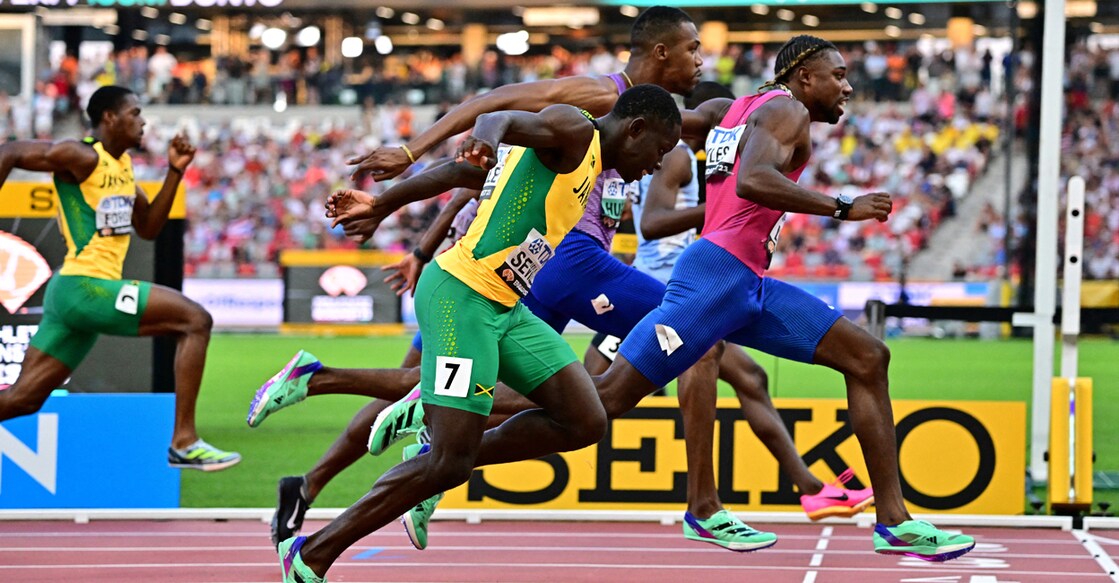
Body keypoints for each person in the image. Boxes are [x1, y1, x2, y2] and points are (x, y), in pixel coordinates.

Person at [277, 84, 683, 582]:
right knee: (450, 463)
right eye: (660, 150)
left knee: (586, 420)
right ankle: (312, 553)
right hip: (460, 299)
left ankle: (434, 430)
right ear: (635, 129)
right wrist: (486, 139)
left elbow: (460, 173)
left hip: (507, 308)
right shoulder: (575, 129)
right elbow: (503, 118)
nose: (659, 164)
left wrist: (383, 205)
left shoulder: (590, 166)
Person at [0, 85, 239, 470]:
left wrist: (174, 172)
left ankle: (184, 441)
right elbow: (10, 152)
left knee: (23, 400)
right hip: (84, 286)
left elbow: (148, 227)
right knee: (196, 320)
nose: (142, 122)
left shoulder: (123, 170)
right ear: (110, 118)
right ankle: (184, 440)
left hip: (74, 297)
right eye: (135, 113)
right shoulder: (80, 155)